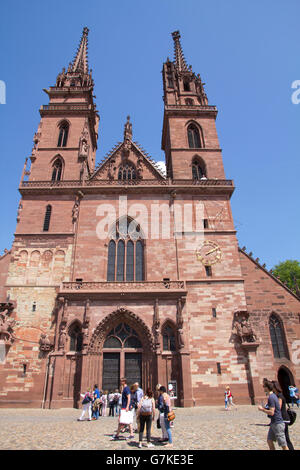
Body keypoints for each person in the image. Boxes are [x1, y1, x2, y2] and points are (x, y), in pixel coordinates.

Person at [258, 379, 289, 450]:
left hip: (278, 423)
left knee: (283, 445)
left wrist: (262, 409)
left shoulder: (271, 397)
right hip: (273, 423)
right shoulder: (273, 396)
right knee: (269, 441)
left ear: (267, 387)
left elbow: (272, 412)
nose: (263, 388)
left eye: (264, 386)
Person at [271, 380, 294, 450]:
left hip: (283, 419)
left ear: (275, 387)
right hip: (284, 419)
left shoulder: (279, 396)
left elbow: (279, 407)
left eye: (272, 387)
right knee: (286, 438)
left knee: (285, 439)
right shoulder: (280, 395)